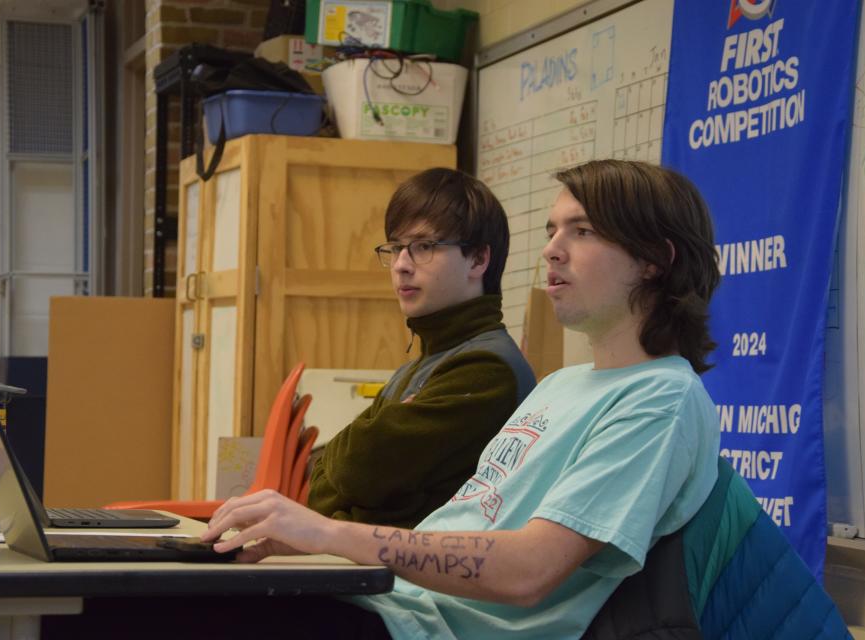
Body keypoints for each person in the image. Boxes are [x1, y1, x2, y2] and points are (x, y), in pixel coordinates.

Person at [203, 159, 723, 639]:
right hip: (395, 604)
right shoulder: (563, 385)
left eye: (582, 231)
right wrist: (303, 543)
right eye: (551, 231)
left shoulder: (661, 398)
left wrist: (329, 535)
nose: (552, 249)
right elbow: (464, 525)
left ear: (655, 260)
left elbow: (529, 572)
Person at [305, 167, 537, 528]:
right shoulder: (420, 366)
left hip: (418, 580)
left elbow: (359, 470)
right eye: (396, 248)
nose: (400, 265)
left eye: (424, 247)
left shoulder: (487, 369)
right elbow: (317, 480)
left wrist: (352, 482)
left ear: (478, 259)